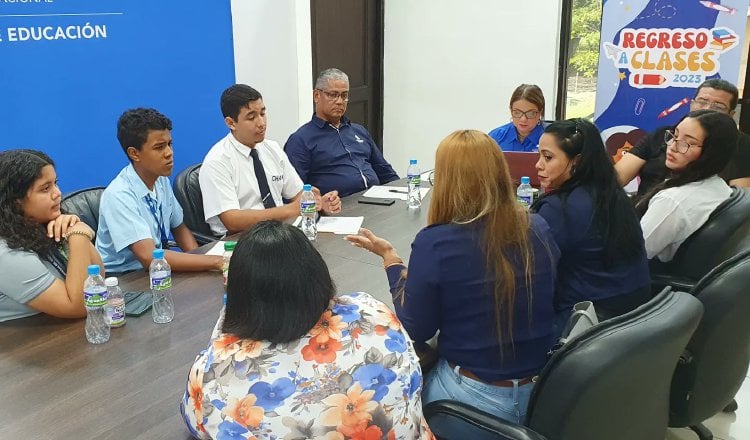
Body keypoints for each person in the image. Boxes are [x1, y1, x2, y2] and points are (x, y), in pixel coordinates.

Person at [345, 130, 560, 423]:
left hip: (474, 401)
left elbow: (415, 328)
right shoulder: (538, 227)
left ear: (447, 181)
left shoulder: (436, 242)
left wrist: (391, 261)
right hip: (542, 393)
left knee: (385, 401)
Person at [180, 221, 433, 439]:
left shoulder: (214, 374)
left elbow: (195, 421)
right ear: (318, 274)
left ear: (238, 296)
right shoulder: (373, 312)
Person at [532, 118, 650, 324]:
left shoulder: (559, 208)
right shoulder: (614, 194)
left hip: (586, 320)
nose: (538, 165)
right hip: (633, 314)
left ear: (576, 161)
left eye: (548, 157)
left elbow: (529, 270)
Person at [200, 84, 342, 236]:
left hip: (279, 232)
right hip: (240, 238)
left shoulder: (272, 148)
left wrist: (316, 203)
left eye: (262, 113)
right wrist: (290, 209)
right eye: (251, 117)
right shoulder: (217, 161)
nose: (261, 123)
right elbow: (232, 221)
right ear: (231, 123)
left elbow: (299, 193)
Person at [97, 108, 223, 273]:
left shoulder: (160, 180)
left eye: (170, 144)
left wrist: (200, 261)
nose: (169, 153)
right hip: (125, 280)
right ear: (134, 153)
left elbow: (179, 228)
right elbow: (149, 256)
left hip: (157, 270)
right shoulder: (119, 195)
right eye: (159, 147)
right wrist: (215, 261)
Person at [0, 149, 103, 321]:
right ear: (16, 202)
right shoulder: (5, 252)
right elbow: (80, 305)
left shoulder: (43, 225)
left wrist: (75, 228)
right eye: (45, 188)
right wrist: (78, 236)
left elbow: (97, 277)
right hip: (21, 343)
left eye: (55, 183)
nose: (57, 193)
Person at [616, 78, 750, 196]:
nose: (707, 109)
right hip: (643, 211)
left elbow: (739, 202)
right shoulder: (662, 134)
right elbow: (618, 177)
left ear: (731, 114)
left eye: (718, 106)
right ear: (691, 104)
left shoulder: (741, 145)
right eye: (702, 101)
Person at [637, 110, 738, 262]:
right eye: (674, 135)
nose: (672, 146)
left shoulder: (672, 201)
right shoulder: (717, 184)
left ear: (710, 153)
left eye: (687, 143)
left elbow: (627, 257)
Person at [284, 68, 399, 197]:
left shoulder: (359, 131)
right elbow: (294, 194)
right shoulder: (301, 140)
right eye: (333, 95)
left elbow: (386, 173)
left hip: (376, 201)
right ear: (317, 96)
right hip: (338, 209)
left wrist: (403, 193)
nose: (339, 101)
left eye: (344, 95)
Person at [488, 84, 546, 152]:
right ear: (511, 110)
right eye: (517, 112)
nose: (523, 119)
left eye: (530, 113)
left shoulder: (552, 139)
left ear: (540, 112)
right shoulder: (495, 137)